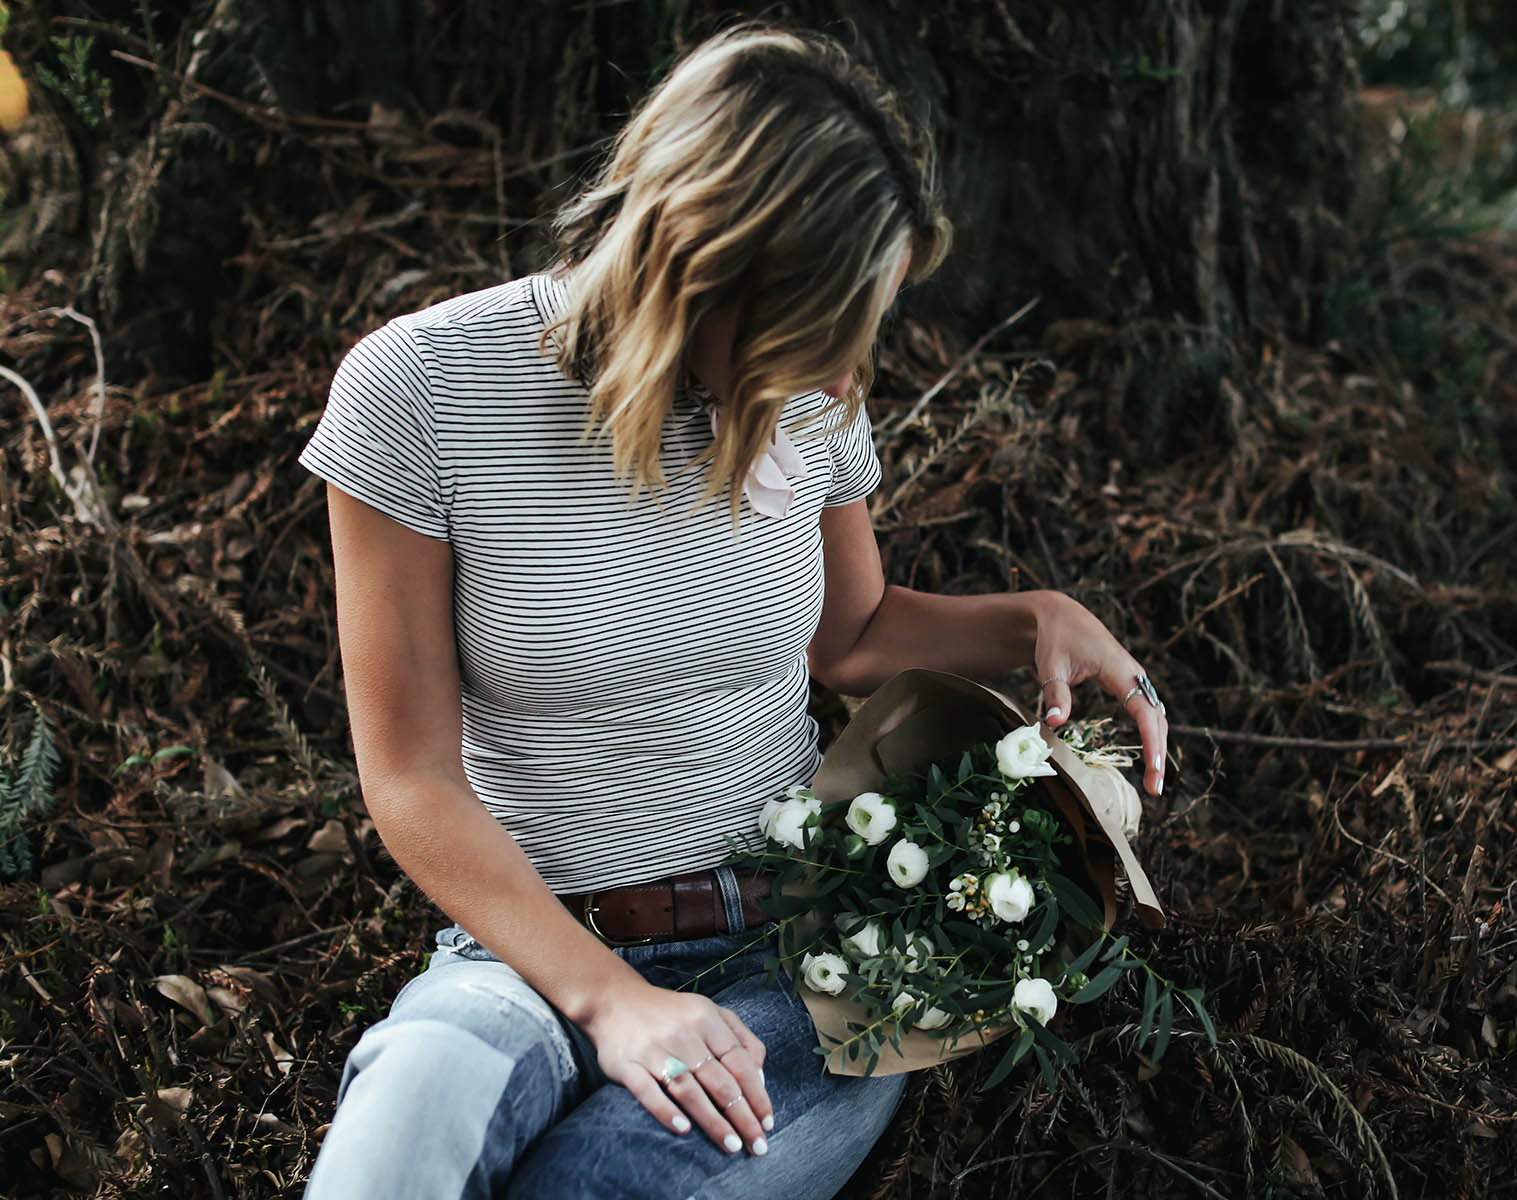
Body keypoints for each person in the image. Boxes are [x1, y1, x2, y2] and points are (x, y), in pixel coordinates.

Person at [297, 23, 1169, 1200]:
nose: (848, 383)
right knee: (393, 1154)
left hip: (802, 957)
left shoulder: (807, 397)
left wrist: (1033, 620)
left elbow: (848, 637)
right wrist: (610, 1000)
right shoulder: (422, 390)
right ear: (704, 266)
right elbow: (410, 779)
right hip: (522, 949)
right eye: (823, 335)